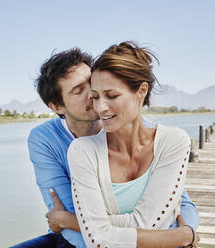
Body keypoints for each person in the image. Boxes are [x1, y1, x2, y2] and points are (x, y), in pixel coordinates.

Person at [11, 47, 198, 248]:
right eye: (78, 91)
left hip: (142, 236)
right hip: (79, 240)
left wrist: (187, 232)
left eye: (91, 83)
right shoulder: (46, 140)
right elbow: (78, 220)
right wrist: (92, 232)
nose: (93, 95)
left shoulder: (131, 126)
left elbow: (178, 201)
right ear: (57, 107)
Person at [67, 41, 200, 248]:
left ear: (141, 90)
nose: (101, 107)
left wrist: (86, 223)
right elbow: (97, 241)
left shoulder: (173, 142)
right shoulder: (82, 151)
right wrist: (182, 236)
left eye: (112, 96)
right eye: (95, 97)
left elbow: (150, 225)